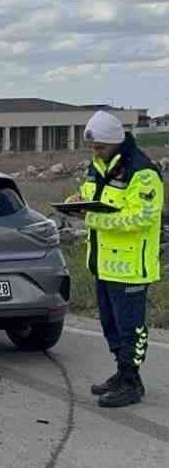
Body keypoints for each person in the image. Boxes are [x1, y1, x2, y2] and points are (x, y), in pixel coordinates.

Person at [66, 111, 163, 408]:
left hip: (131, 267)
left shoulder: (142, 172)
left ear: (115, 142)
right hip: (103, 263)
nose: (95, 152)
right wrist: (74, 202)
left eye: (100, 147)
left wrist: (90, 218)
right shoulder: (98, 166)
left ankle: (132, 382)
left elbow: (142, 218)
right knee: (111, 325)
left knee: (130, 328)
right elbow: (90, 195)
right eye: (92, 147)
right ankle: (122, 372)